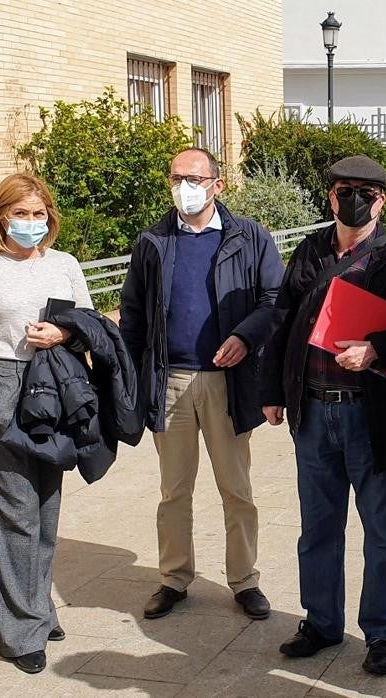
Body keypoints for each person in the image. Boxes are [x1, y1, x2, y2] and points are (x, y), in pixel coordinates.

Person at [260, 156, 386, 677]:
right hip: (312, 410)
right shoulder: (310, 252)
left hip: (369, 417)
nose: (353, 198)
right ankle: (321, 622)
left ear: (382, 200)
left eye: (365, 191)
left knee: (382, 531)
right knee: (317, 526)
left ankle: (381, 632)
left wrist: (378, 348)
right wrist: (272, 389)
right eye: (343, 189)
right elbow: (283, 318)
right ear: (330, 197)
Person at [119, 147, 283, 621]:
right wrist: (133, 377)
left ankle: (245, 581)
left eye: (194, 178)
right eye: (176, 177)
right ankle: (173, 578)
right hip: (169, 381)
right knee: (174, 490)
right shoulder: (152, 241)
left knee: (236, 488)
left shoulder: (249, 237)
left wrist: (244, 337)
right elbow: (133, 313)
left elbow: (274, 297)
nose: (184, 187)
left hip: (228, 383)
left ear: (218, 184)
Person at [0, 173, 92, 675]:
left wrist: (64, 332)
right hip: (3, 383)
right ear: (0, 216)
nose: (30, 222)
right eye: (20, 213)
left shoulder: (64, 264)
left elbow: (88, 324)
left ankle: (37, 607)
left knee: (46, 505)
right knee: (13, 511)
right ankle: (19, 631)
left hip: (55, 382)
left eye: (38, 212)